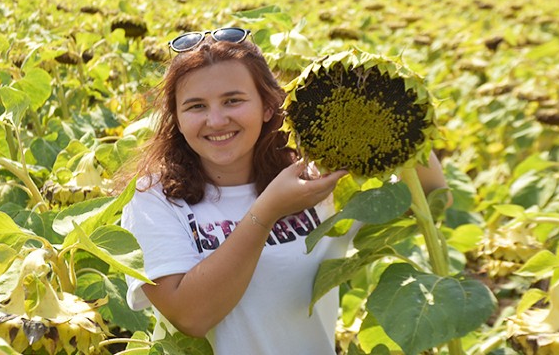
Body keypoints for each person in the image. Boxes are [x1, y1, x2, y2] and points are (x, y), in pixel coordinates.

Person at [121, 27, 450, 354]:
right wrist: (267, 211)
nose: (216, 120)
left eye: (232, 100)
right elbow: (191, 315)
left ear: (267, 107)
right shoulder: (155, 199)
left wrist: (396, 107)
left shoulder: (316, 179)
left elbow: (433, 197)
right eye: (196, 106)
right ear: (176, 118)